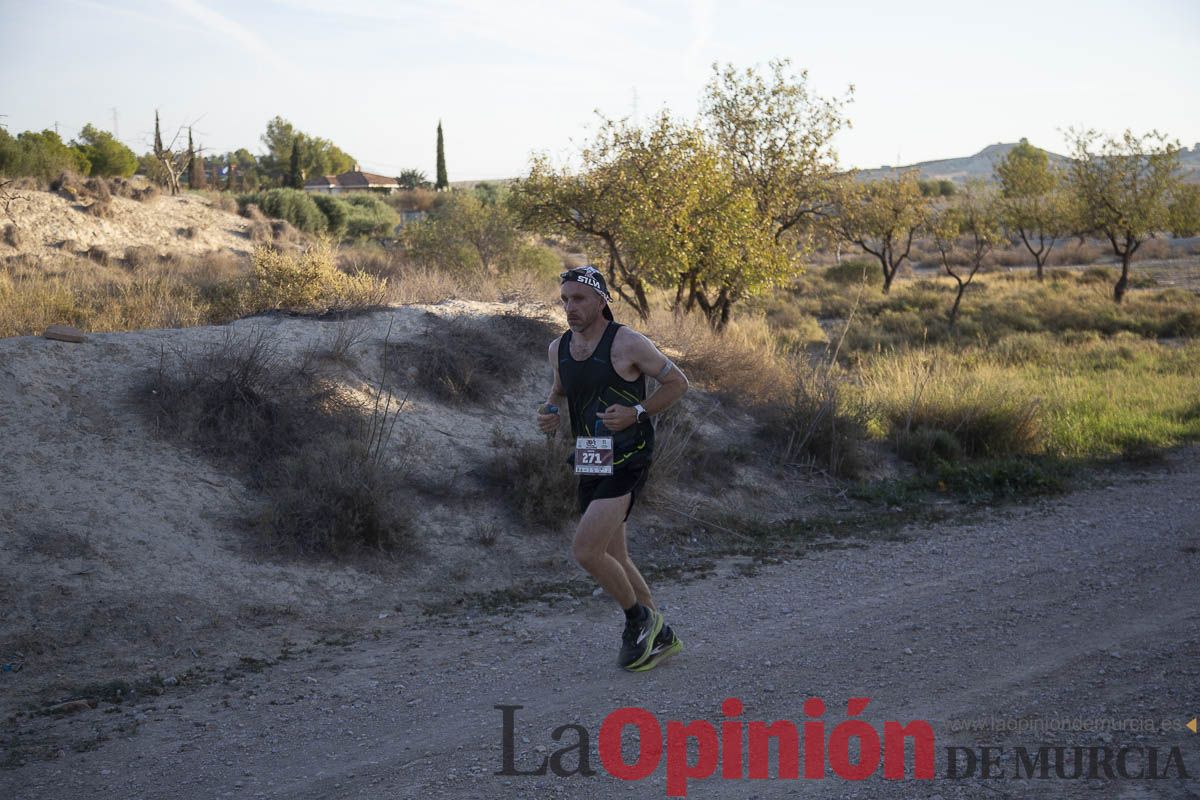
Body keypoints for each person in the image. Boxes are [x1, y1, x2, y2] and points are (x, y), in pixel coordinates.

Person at [536, 266, 689, 672]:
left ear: (601, 300)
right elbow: (559, 389)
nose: (570, 307)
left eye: (579, 298)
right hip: (590, 451)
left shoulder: (627, 343)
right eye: (565, 299)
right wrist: (550, 412)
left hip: (628, 453)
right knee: (614, 553)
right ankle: (661, 633)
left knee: (586, 551)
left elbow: (678, 384)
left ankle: (638, 621)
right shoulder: (560, 348)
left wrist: (638, 410)